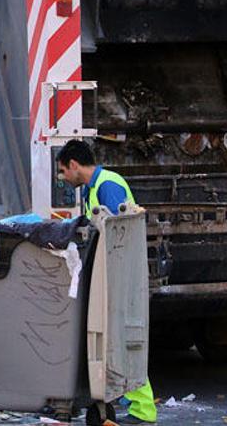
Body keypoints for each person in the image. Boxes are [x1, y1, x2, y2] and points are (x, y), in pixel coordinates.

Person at [56, 139, 157, 425]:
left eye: (63, 171)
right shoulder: (93, 189)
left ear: (74, 165)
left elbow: (117, 232)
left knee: (124, 343)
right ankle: (118, 401)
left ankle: (143, 410)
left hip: (119, 276)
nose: (63, 178)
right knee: (113, 344)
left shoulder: (107, 185)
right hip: (109, 274)